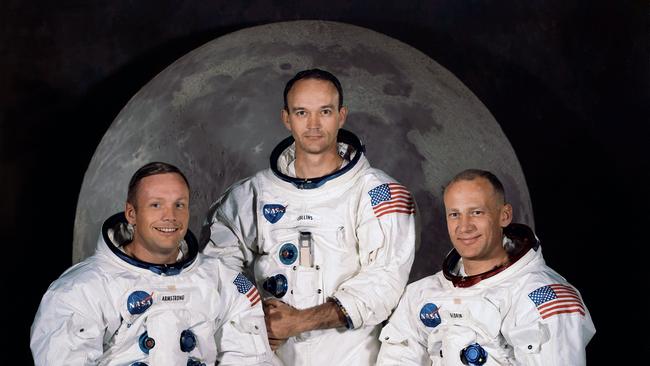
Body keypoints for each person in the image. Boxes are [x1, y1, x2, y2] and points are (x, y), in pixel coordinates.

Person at [202, 68, 417, 365]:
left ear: (341, 116)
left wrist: (300, 321)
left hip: (348, 355)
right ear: (286, 118)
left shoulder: (377, 192)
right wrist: (254, 314)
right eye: (302, 112)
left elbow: (384, 280)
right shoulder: (250, 195)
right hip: (266, 351)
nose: (313, 124)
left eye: (324, 112)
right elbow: (217, 269)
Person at [31, 162, 274, 366]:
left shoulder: (224, 280)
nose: (170, 216)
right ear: (131, 214)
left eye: (179, 205)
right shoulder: (79, 290)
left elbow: (250, 358)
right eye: (156, 205)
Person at [376, 169, 595, 365]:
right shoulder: (422, 295)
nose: (464, 226)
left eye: (476, 212)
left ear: (504, 215)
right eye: (455, 214)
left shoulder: (543, 297)